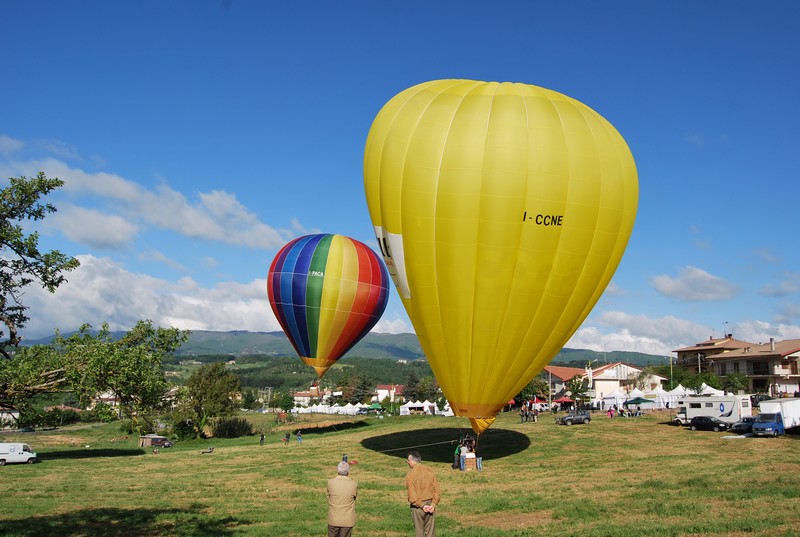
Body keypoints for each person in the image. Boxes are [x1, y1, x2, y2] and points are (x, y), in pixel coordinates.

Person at [405, 451, 440, 537]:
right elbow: (437, 490)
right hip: (430, 505)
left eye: (408, 460)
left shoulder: (410, 475)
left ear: (413, 461)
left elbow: (412, 497)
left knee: (419, 532)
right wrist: (433, 504)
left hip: (418, 508)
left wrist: (422, 506)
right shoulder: (430, 470)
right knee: (431, 533)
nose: (407, 462)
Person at [327, 461, 358, 537]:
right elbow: (355, 497)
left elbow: (328, 496)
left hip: (333, 519)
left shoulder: (330, 482)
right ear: (348, 472)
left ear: (337, 470)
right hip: (347, 520)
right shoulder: (354, 484)